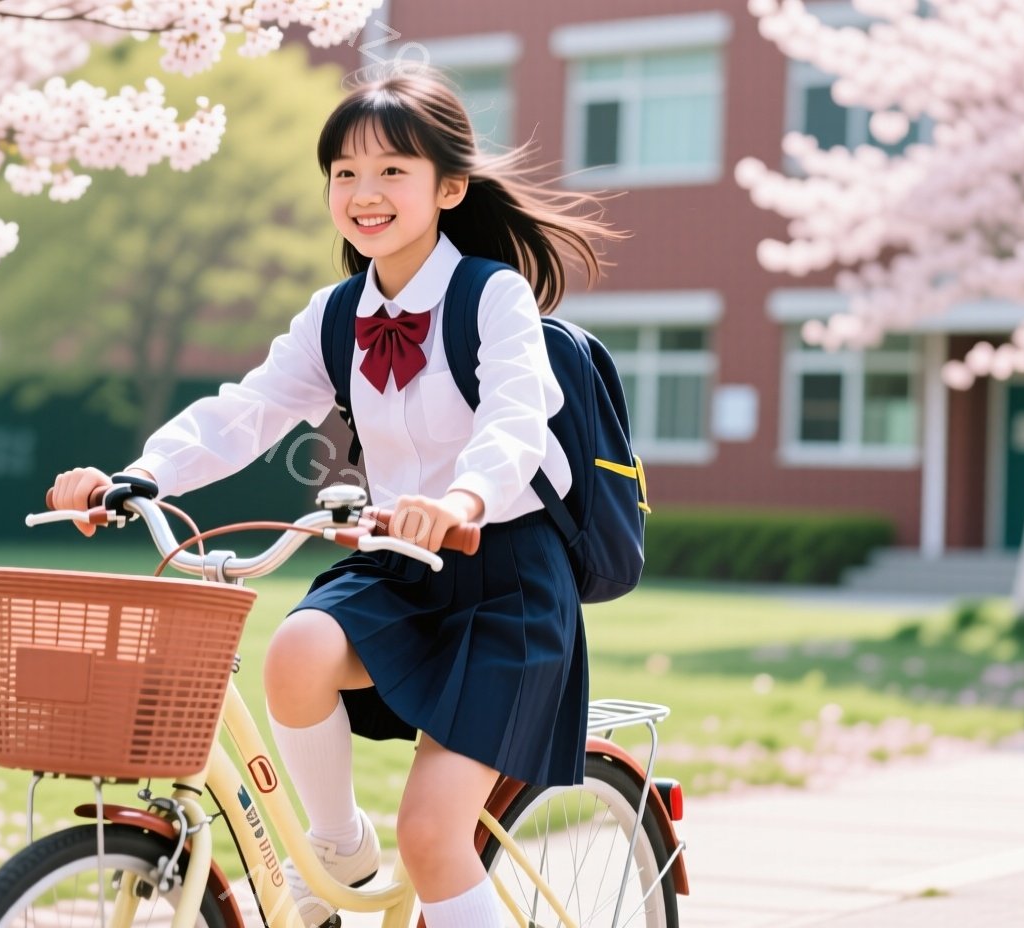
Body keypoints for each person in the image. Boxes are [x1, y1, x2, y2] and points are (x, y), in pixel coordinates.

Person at [49, 64, 625, 928]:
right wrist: (141, 474)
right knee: (296, 650)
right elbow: (249, 409)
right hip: (397, 565)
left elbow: (517, 419)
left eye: (393, 170)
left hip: (505, 581)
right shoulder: (335, 314)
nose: (365, 192)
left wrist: (464, 498)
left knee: (434, 838)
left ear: (450, 186)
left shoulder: (491, 296)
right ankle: (337, 853)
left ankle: (388, 862)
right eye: (345, 173)